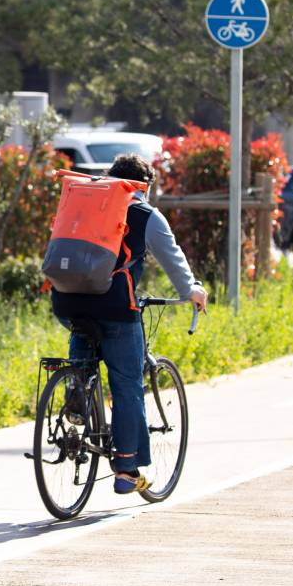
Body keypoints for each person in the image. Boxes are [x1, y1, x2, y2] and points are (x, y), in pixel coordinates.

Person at [51, 153, 208, 494]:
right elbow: (173, 258)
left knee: (84, 333)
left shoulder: (83, 203)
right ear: (144, 186)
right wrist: (192, 290)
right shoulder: (144, 214)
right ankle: (126, 469)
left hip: (65, 300)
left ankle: (77, 391)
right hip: (115, 307)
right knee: (127, 384)